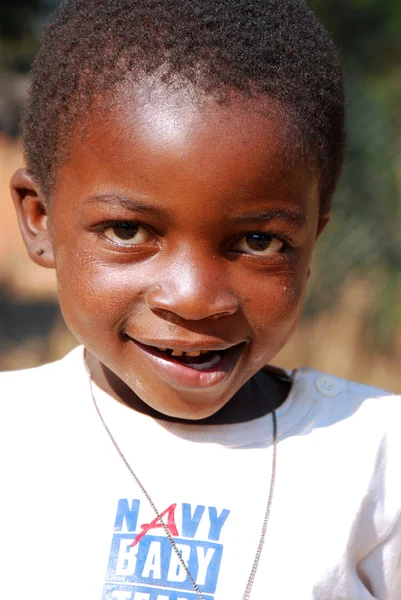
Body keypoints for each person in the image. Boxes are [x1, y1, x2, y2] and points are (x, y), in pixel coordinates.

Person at [1, 0, 400, 598]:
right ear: (39, 221)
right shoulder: (14, 436)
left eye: (259, 241)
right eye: (129, 231)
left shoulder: (376, 456)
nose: (194, 300)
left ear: (312, 240)